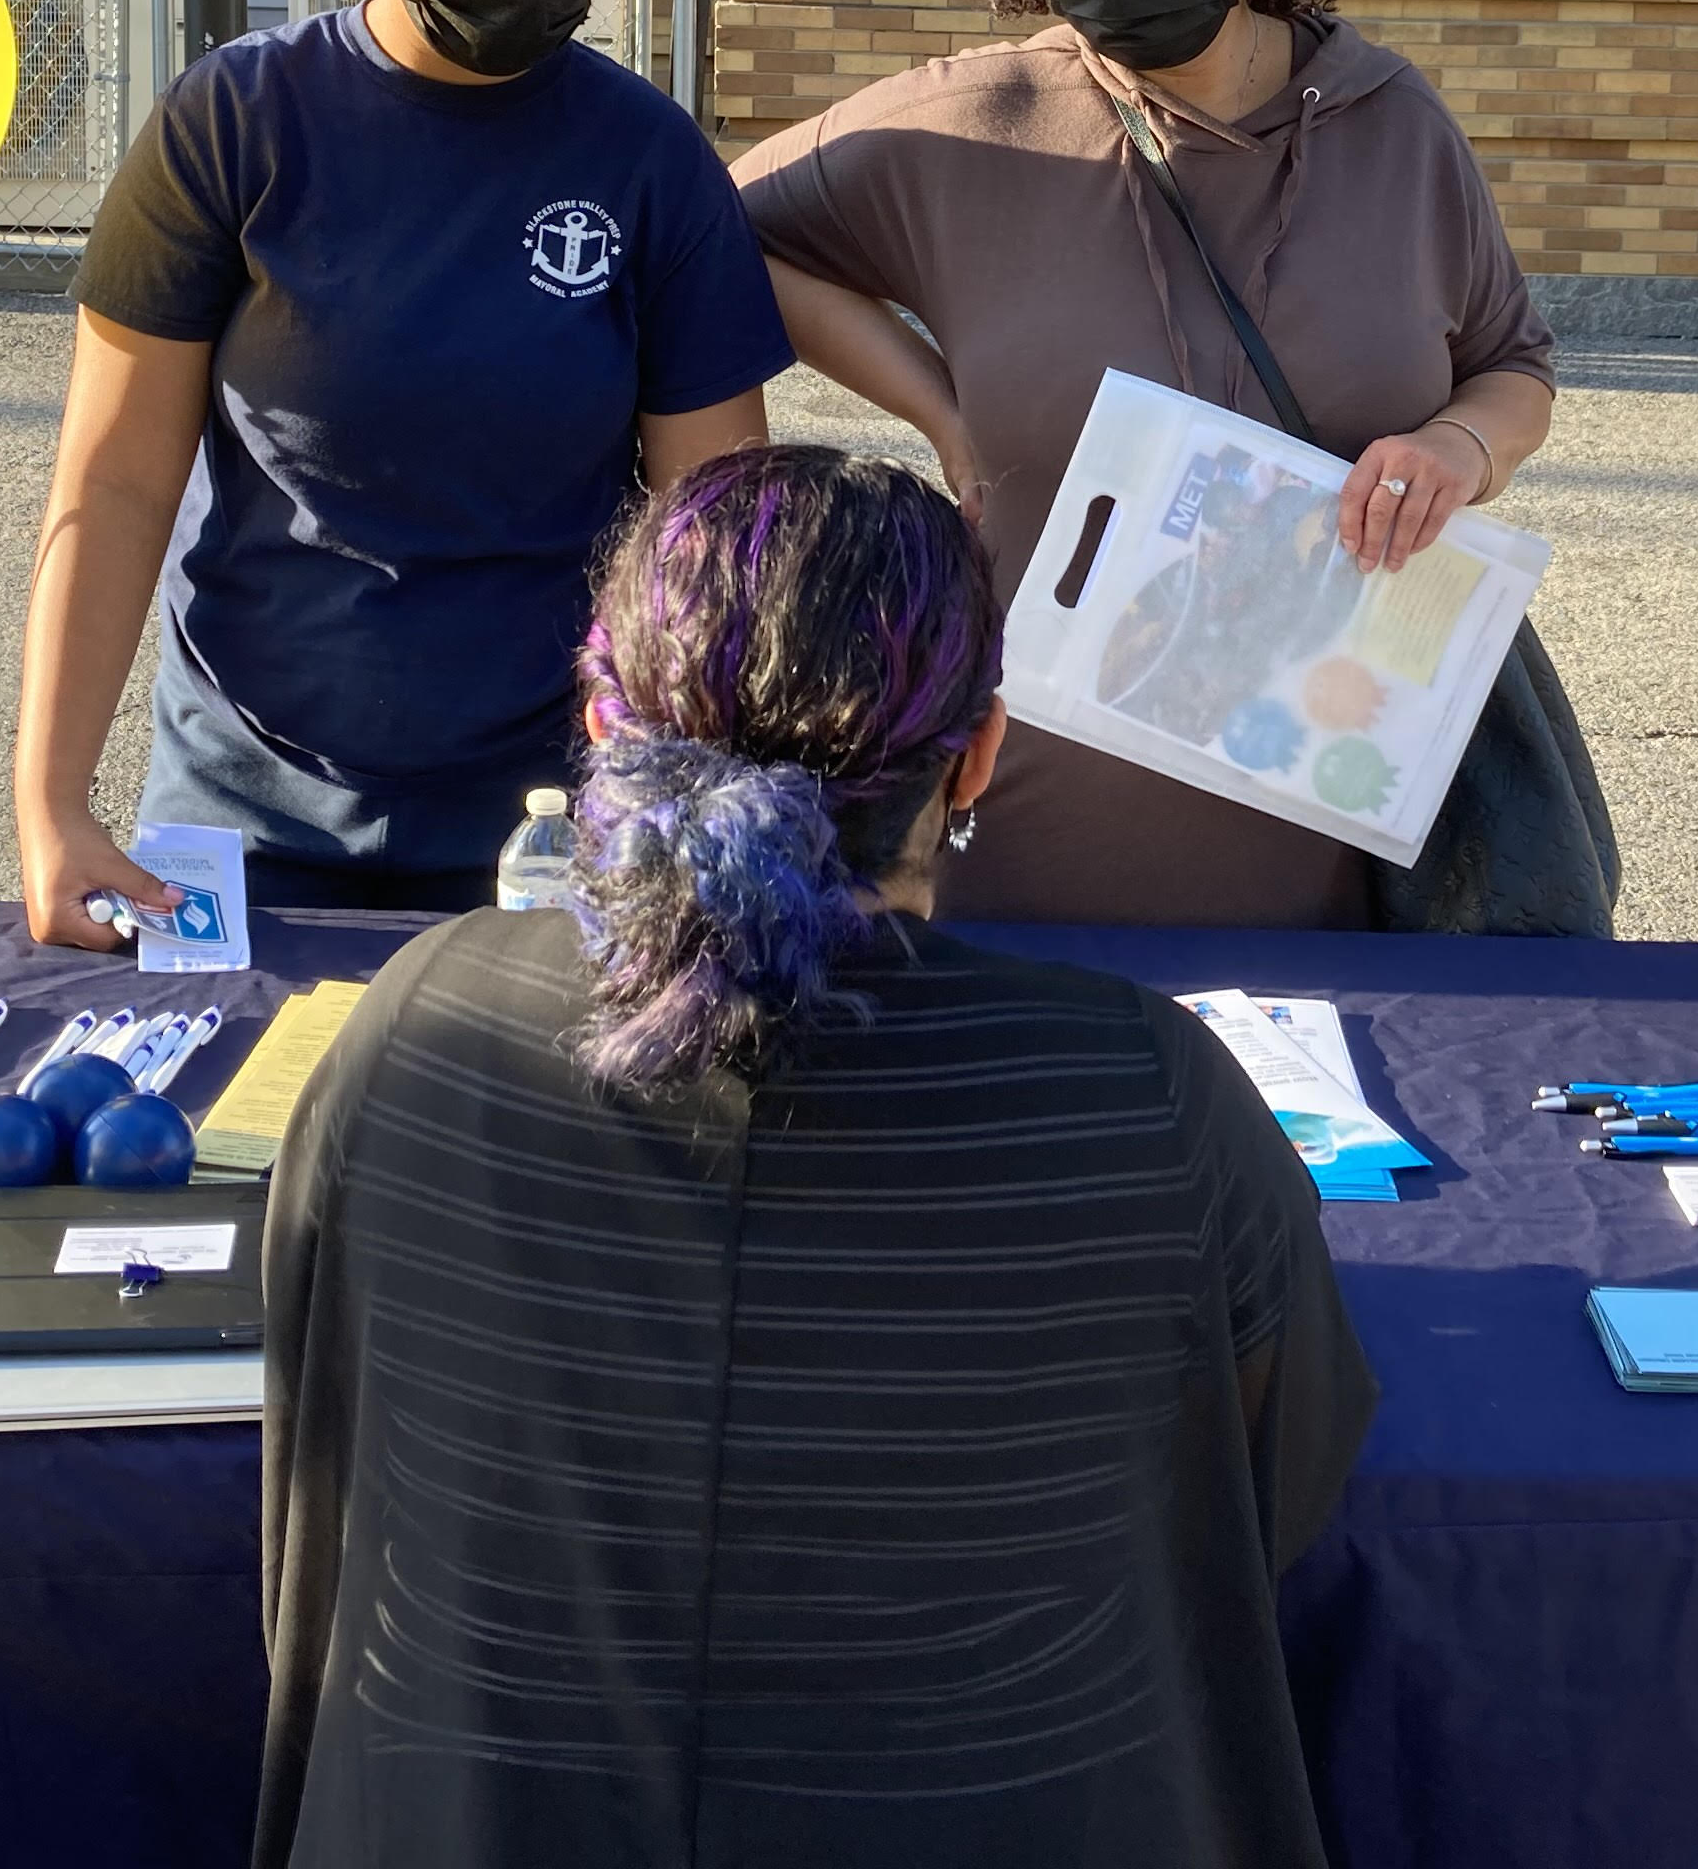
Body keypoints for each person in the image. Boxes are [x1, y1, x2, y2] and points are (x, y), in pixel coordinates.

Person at [257, 444, 1375, 1869]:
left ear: (602, 727)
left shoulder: (416, 1032)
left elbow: (333, 1459)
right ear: (979, 752)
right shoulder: (1153, 1099)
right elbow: (1261, 1498)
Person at [16, 0, 794, 941]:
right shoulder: (236, 125)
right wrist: (50, 801)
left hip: (551, 836)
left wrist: (705, 819)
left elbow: (713, 537)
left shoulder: (646, 159)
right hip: (242, 818)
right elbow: (113, 481)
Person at [733, 0, 1560, 928]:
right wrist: (936, 407)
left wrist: (1457, 450)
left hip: (1333, 866)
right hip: (1016, 860)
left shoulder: (1394, 128)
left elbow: (1512, 365)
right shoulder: (970, 129)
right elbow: (709, 235)